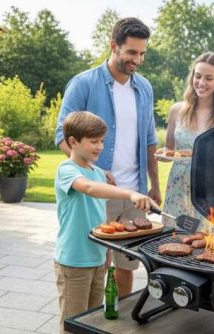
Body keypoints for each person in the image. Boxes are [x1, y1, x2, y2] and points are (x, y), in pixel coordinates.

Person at [54, 17, 160, 297]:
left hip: (134, 190)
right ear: (114, 46)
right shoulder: (84, 84)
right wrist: (94, 170)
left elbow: (150, 139)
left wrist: (155, 184)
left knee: (129, 264)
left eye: (142, 53)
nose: (137, 60)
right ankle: (97, 319)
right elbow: (61, 135)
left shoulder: (145, 88)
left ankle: (122, 320)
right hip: (99, 191)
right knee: (99, 262)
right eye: (131, 53)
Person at [54, 111, 158, 333]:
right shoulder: (67, 170)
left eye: (101, 140)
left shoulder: (99, 173)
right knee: (72, 322)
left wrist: (107, 250)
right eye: (93, 141)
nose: (100, 146)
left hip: (97, 258)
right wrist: (130, 194)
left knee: (91, 320)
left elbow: (101, 215)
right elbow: (89, 189)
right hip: (73, 260)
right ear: (73, 142)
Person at [158, 52, 214, 227]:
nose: (201, 83)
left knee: (207, 246)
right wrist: (163, 153)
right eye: (197, 76)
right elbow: (170, 150)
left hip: (210, 190)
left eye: (209, 78)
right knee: (173, 241)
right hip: (177, 186)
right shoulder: (177, 110)